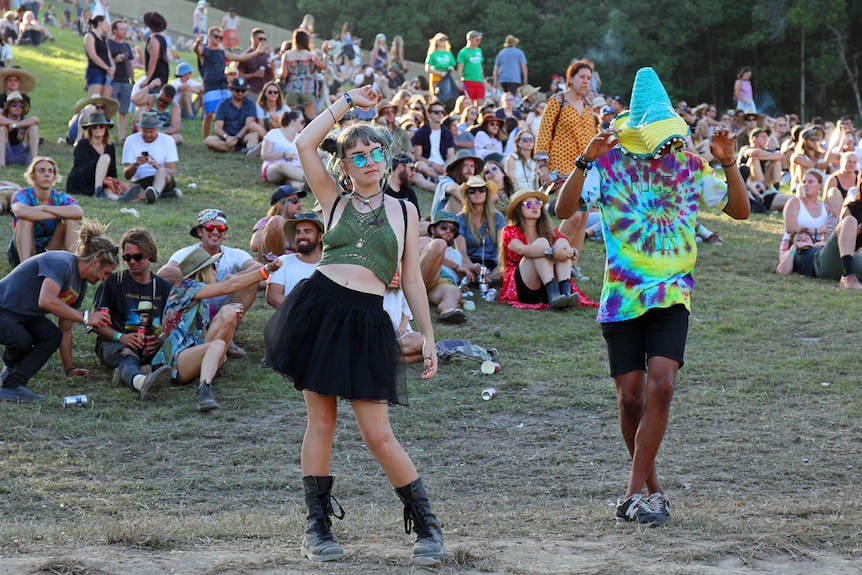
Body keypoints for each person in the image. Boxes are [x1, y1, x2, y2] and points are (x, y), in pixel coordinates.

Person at [555, 67, 749, 525]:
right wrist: (585, 159)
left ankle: (630, 495)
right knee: (631, 400)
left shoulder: (690, 164)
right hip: (620, 298)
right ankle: (653, 488)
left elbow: (740, 212)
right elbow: (561, 210)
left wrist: (727, 162)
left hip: (671, 293)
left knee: (662, 384)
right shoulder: (608, 164)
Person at [265, 86, 443, 566]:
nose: (366, 160)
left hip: (368, 320)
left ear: (387, 159)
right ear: (344, 166)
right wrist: (347, 102)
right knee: (320, 421)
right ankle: (317, 529)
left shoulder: (406, 210)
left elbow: (409, 277)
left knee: (377, 434)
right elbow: (305, 144)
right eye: (356, 154)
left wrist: (428, 336)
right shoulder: (333, 200)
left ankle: (426, 525)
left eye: (374, 151)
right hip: (319, 309)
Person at [0, 219, 117, 403]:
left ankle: (12, 384)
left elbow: (65, 328)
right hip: (3, 308)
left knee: (52, 335)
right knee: (21, 340)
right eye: (106, 273)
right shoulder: (62, 262)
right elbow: (46, 300)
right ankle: (10, 371)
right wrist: (86, 317)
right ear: (95, 262)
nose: (105, 280)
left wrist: (69, 369)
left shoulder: (80, 286)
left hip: (23, 316)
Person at [153, 248, 281, 412]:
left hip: (195, 353)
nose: (217, 271)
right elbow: (229, 286)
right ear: (203, 270)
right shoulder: (184, 287)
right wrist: (266, 270)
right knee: (218, 345)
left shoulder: (202, 299)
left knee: (229, 312)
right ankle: (204, 391)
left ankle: (212, 368)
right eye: (213, 267)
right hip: (176, 363)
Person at [159, 209, 263, 359]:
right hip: (196, 314)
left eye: (220, 228)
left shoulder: (235, 254)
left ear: (225, 234)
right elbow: (165, 272)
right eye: (209, 228)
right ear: (200, 232)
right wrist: (202, 279)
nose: (215, 231)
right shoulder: (187, 254)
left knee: (251, 281)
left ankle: (227, 334)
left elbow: (257, 267)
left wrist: (234, 278)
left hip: (225, 310)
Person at [535, 59, 599, 282]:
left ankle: (572, 265)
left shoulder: (589, 106)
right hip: (561, 169)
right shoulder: (558, 101)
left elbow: (592, 137)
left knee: (582, 219)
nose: (585, 81)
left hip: (586, 170)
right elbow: (543, 133)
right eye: (582, 77)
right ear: (570, 78)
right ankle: (554, 253)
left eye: (589, 78)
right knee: (574, 215)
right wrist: (542, 164)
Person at [92, 228, 174, 398]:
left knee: (173, 358)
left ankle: (128, 373)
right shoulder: (114, 282)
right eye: (127, 258)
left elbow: (173, 323)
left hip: (149, 347)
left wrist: (160, 340)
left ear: (150, 254)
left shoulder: (163, 287)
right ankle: (141, 382)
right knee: (126, 354)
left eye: (137, 257)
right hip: (115, 342)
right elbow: (95, 324)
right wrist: (121, 337)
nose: (132, 262)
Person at [499, 189, 591, 309]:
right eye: (528, 204)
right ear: (518, 209)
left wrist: (570, 252)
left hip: (544, 281)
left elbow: (567, 248)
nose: (534, 207)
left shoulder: (548, 232)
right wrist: (551, 252)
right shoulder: (510, 231)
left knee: (561, 241)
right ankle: (553, 293)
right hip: (525, 284)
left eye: (537, 203)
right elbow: (521, 250)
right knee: (541, 243)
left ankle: (565, 292)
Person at [8, 157, 84, 267]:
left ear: (54, 177)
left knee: (70, 221)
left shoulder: (59, 197)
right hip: (22, 249)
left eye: (50, 171)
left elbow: (78, 212)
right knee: (26, 220)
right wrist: (57, 215)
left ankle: (74, 268)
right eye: (41, 171)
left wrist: (44, 208)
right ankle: (24, 269)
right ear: (32, 176)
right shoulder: (22, 194)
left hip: (50, 248)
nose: (47, 174)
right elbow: (20, 211)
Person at [193, 25, 265, 139]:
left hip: (223, 84)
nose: (218, 39)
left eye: (220, 38)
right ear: (209, 37)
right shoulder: (204, 50)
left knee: (227, 111)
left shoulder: (222, 52)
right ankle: (206, 139)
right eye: (216, 36)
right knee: (209, 114)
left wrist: (256, 53)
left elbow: (240, 58)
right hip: (210, 84)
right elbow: (196, 49)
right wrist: (198, 42)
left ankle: (227, 136)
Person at [66, 112, 133, 200]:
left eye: (101, 126)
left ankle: (118, 198)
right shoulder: (83, 144)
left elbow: (112, 171)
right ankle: (98, 191)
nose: (98, 129)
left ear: (105, 128)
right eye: (94, 127)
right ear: (90, 129)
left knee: (108, 190)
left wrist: (112, 182)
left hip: (101, 180)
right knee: (105, 158)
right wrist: (101, 162)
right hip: (81, 181)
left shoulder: (109, 146)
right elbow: (82, 168)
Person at [776, 223, 862, 290]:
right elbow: (782, 271)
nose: (804, 240)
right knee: (849, 221)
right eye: (799, 239)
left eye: (807, 238)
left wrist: (824, 245)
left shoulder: (820, 247)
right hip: (821, 264)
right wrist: (794, 247)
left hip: (849, 262)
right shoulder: (794, 253)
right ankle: (848, 277)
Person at [265, 212, 323, 309]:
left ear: (320, 236)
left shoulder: (330, 265)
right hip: (291, 320)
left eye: (307, 231)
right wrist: (299, 313)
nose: (301, 236)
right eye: (298, 232)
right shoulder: (282, 262)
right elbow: (272, 296)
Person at [454, 175, 505, 284]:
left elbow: (502, 247)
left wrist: (500, 266)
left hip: (493, 263)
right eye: (472, 190)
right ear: (467, 195)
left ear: (486, 193)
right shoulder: (460, 219)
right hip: (471, 263)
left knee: (508, 269)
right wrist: (471, 266)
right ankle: (485, 280)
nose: (477, 193)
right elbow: (461, 251)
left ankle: (486, 279)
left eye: (482, 190)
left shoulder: (497, 217)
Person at [418, 210, 466, 323]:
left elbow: (460, 274)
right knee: (439, 244)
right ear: (433, 229)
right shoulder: (424, 241)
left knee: (452, 291)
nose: (448, 231)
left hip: (442, 282)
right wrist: (455, 267)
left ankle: (449, 311)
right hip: (420, 276)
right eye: (444, 227)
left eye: (452, 229)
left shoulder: (456, 253)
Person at [121, 111, 179, 202]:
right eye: (145, 131)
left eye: (151, 132)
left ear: (157, 129)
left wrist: (157, 166)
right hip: (141, 181)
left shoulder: (168, 141)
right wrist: (135, 165)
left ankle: (154, 193)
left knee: (161, 170)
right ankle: (160, 194)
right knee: (132, 188)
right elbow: (126, 175)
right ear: (140, 128)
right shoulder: (130, 141)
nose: (148, 135)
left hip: (163, 179)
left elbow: (172, 172)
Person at [205, 77, 266, 154]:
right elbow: (218, 127)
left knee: (253, 136)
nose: (240, 93)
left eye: (243, 90)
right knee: (209, 140)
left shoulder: (250, 104)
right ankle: (240, 149)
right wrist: (226, 137)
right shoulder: (223, 105)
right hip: (227, 136)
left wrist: (237, 137)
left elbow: (249, 124)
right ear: (231, 90)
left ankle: (249, 150)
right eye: (237, 90)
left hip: (243, 136)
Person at [781, 170, 834, 256]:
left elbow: (829, 233)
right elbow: (789, 228)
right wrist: (816, 231)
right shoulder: (794, 202)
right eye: (804, 182)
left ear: (820, 186)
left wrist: (834, 217)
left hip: (817, 246)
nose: (806, 185)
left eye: (810, 182)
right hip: (795, 244)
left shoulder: (826, 208)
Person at [278, 28, 326, 119]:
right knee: (308, 120)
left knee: (290, 119)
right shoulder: (311, 55)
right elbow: (324, 67)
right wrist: (326, 54)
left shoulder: (287, 55)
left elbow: (283, 74)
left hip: (291, 89)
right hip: (308, 90)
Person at [250, 185, 306, 262]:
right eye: (294, 201)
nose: (299, 204)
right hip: (271, 264)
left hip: (296, 265)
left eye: (299, 201)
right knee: (277, 221)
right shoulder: (267, 221)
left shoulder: (302, 224)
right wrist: (289, 244)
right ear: (281, 205)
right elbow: (254, 245)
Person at [431, 149, 484, 217]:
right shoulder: (446, 179)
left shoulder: (471, 186)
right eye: (465, 165)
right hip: (442, 223)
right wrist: (473, 205)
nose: (469, 169)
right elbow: (453, 189)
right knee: (455, 199)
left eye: (472, 166)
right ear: (457, 168)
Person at [260, 109, 305, 187]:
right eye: (302, 122)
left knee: (291, 181)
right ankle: (315, 182)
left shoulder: (300, 138)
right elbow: (264, 155)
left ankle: (308, 186)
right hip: (274, 167)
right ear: (292, 121)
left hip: (294, 168)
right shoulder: (273, 133)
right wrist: (283, 155)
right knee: (283, 165)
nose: (304, 124)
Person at [107, 18, 135, 140]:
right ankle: (106, 135)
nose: (124, 31)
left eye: (125, 29)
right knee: (109, 109)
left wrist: (132, 79)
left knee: (123, 110)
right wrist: (115, 60)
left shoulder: (126, 45)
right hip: (112, 81)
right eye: (122, 29)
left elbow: (130, 64)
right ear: (114, 30)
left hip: (125, 82)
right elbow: (104, 62)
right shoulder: (108, 43)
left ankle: (122, 137)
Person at [0, 90, 39, 168]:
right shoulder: (3, 119)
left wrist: (15, 125)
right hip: (6, 153)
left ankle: (35, 163)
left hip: (21, 153)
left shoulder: (24, 121)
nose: (18, 108)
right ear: (8, 107)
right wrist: (10, 123)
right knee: (1, 128)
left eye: (21, 106)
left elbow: (35, 120)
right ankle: (1, 164)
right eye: (14, 105)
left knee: (33, 128)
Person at [83, 15, 114, 97]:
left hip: (107, 73)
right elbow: (93, 56)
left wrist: (112, 67)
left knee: (105, 102)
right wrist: (107, 68)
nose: (108, 25)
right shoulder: (90, 36)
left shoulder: (103, 39)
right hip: (95, 70)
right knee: (96, 100)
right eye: (106, 23)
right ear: (100, 23)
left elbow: (109, 55)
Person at [237, 28, 271, 100]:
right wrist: (254, 75)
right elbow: (239, 75)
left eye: (264, 39)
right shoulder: (246, 56)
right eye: (260, 39)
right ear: (253, 39)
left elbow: (271, 76)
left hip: (265, 92)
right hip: (251, 91)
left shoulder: (267, 56)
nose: (262, 41)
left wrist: (273, 67)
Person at [142, 12, 169, 95]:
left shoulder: (154, 40)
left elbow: (153, 59)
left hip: (156, 76)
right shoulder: (162, 39)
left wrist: (147, 78)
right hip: (163, 75)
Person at [456, 30, 484, 104]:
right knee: (469, 102)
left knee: (480, 103)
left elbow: (480, 65)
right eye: (477, 40)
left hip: (479, 81)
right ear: (470, 39)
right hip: (468, 80)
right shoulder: (463, 52)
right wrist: (459, 82)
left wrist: (483, 79)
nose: (479, 42)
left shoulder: (479, 51)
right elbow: (460, 68)